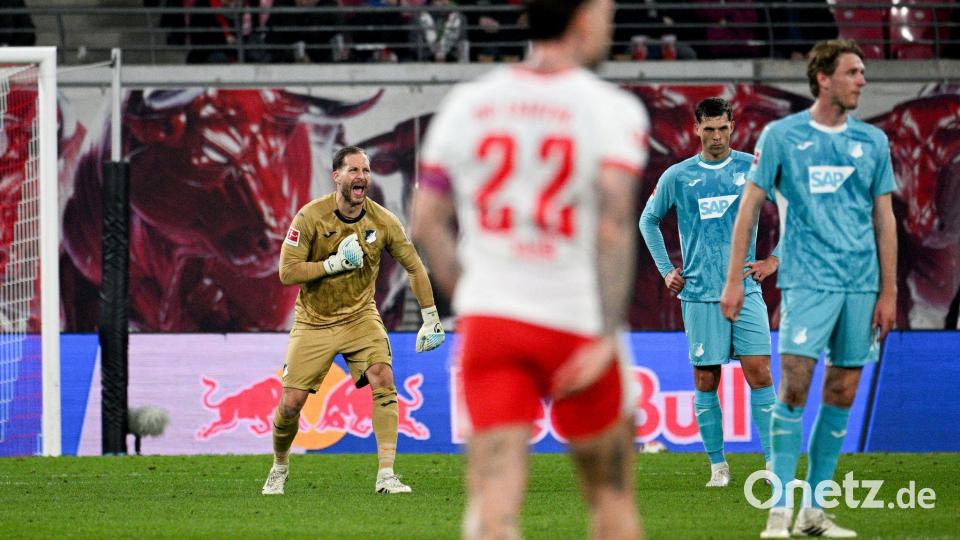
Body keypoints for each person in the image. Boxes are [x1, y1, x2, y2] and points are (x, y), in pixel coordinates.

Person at [410, 0, 649, 537]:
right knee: (611, 501)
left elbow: (425, 221)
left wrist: (474, 296)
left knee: (493, 504)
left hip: (493, 321)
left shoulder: (470, 103)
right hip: (575, 320)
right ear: (583, 18)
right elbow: (612, 227)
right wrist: (607, 333)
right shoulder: (611, 109)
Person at [720, 39, 897, 538]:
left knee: (842, 390)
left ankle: (814, 512)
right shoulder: (782, 136)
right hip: (806, 281)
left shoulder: (872, 143)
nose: (863, 80)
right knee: (794, 388)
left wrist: (889, 293)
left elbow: (884, 219)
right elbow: (749, 209)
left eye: (863, 72)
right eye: (854, 72)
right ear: (823, 77)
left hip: (860, 287)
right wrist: (733, 281)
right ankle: (777, 509)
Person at [261, 145, 446, 495]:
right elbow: (286, 272)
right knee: (290, 405)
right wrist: (332, 265)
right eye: (354, 170)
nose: (361, 176)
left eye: (366, 170)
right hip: (314, 321)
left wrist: (430, 316)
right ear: (337, 177)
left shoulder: (383, 220)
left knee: (383, 377)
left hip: (361, 318)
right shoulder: (309, 217)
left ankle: (387, 474)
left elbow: (414, 265)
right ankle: (280, 465)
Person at [639, 96, 778, 488]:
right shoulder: (678, 176)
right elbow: (648, 221)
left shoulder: (751, 167)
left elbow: (794, 209)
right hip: (699, 294)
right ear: (697, 128)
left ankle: (771, 463)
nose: (716, 136)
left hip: (746, 290)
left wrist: (774, 260)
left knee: (760, 373)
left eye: (723, 128)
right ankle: (718, 467)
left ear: (732, 125)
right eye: (709, 129)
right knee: (705, 380)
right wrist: (667, 271)